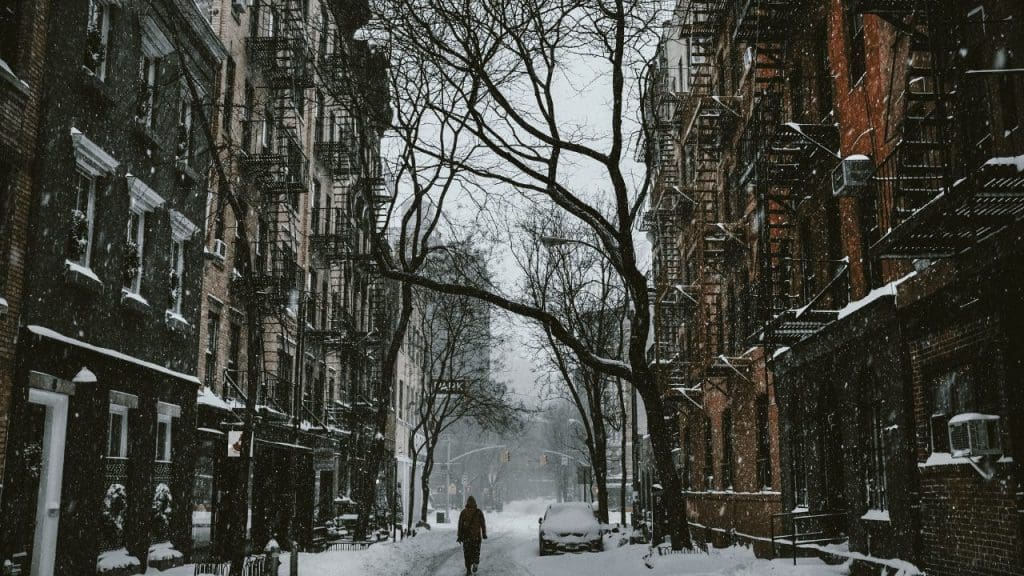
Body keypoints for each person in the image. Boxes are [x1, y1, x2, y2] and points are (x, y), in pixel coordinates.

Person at [457, 496, 487, 574]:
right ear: (475, 503)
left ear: (467, 503)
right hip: (476, 537)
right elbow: (483, 524)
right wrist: (484, 534)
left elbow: (460, 525)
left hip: (466, 538)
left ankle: (468, 569)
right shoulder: (478, 512)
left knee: (467, 555)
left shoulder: (463, 512)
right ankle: (475, 564)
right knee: (476, 552)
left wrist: (459, 536)